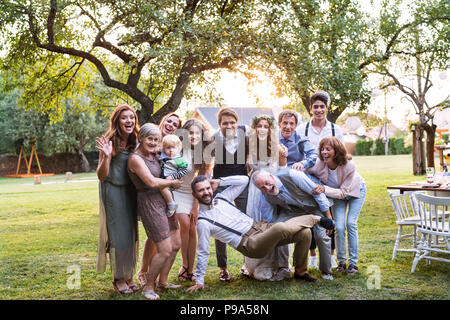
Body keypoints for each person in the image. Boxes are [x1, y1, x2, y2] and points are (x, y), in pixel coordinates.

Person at [186, 175, 336, 292]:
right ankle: (316, 218)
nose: (206, 192)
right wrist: (200, 281)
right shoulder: (203, 222)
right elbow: (203, 252)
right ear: (194, 194)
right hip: (249, 243)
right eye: (201, 190)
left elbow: (244, 180)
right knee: (279, 228)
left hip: (261, 227)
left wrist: (219, 181)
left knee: (304, 233)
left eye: (207, 188)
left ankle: (300, 272)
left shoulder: (221, 198)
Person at [127, 123, 183, 300]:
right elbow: (151, 182)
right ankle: (148, 287)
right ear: (141, 138)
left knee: (175, 245)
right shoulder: (135, 159)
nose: (153, 142)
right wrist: (171, 183)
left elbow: (171, 168)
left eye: (156, 139)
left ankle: (162, 282)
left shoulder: (155, 155)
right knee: (164, 249)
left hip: (166, 202)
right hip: (150, 203)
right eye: (150, 139)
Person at [253, 168, 335, 280]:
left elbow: (317, 194)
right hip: (293, 211)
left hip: (313, 205)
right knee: (278, 229)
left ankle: (326, 271)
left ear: (271, 176)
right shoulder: (265, 196)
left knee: (321, 236)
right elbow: (269, 217)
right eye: (262, 187)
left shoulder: (292, 175)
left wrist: (328, 217)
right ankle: (284, 268)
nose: (267, 188)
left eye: (267, 183)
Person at [95, 104, 140, 294]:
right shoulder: (109, 140)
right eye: (124, 118)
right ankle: (118, 278)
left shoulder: (136, 139)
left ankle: (129, 275)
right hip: (112, 191)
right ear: (117, 120)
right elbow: (101, 175)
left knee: (130, 234)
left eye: (132, 117)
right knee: (118, 235)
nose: (128, 121)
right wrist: (106, 157)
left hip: (130, 191)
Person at [297, 91, 344, 270]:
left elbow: (341, 155)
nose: (318, 110)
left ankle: (330, 256)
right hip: (308, 179)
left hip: (329, 180)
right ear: (310, 109)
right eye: (315, 107)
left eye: (321, 107)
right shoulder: (302, 130)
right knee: (309, 217)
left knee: (328, 217)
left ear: (326, 108)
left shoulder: (334, 130)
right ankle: (313, 256)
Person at [241, 114, 291, 281]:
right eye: (259, 126)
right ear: (255, 128)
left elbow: (284, 170)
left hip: (271, 187)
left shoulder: (278, 147)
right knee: (255, 224)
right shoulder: (250, 147)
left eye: (265, 126)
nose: (262, 129)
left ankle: (278, 264)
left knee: (273, 223)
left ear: (270, 129)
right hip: (255, 190)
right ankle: (253, 264)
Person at [308, 137, 366, 274]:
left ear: (337, 151)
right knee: (339, 226)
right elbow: (307, 171)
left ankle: (353, 263)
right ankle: (341, 262)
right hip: (337, 195)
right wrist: (299, 166)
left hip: (356, 192)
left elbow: (343, 192)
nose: (324, 152)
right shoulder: (320, 164)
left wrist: (323, 188)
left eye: (328, 149)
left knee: (351, 223)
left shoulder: (349, 165)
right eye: (322, 149)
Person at [211, 108, 250, 282]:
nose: (229, 126)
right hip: (220, 184)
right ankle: (223, 268)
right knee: (219, 223)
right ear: (219, 125)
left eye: (232, 122)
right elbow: (204, 164)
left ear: (237, 122)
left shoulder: (246, 136)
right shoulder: (212, 139)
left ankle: (248, 264)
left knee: (247, 222)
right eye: (225, 123)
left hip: (241, 183)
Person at [172, 119, 212, 283]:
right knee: (185, 223)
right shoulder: (177, 149)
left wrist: (196, 206)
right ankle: (184, 265)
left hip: (192, 193)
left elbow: (202, 179)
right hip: (177, 192)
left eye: (197, 133)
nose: (193, 136)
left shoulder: (202, 152)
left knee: (193, 227)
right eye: (190, 132)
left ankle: (191, 268)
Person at [159, 134, 189, 217]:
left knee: (163, 188)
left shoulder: (178, 159)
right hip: (164, 178)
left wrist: (173, 176)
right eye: (168, 148)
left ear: (178, 148)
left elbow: (184, 171)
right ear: (164, 148)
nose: (171, 150)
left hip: (171, 181)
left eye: (173, 147)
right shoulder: (163, 156)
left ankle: (171, 203)